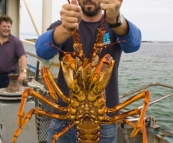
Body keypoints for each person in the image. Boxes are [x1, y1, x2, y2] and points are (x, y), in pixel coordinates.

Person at [35, 0, 142, 142]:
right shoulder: (64, 25)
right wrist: (65, 29)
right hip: (64, 120)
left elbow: (134, 44)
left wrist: (116, 20)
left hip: (104, 123)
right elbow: (42, 50)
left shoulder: (114, 27)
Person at [0, 15, 27, 88]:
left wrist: (23, 71)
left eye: (8, 27)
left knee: (6, 99)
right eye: (4, 26)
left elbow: (23, 56)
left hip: (9, 78)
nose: (7, 28)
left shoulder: (16, 42)